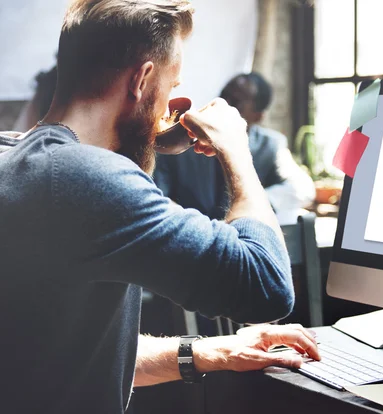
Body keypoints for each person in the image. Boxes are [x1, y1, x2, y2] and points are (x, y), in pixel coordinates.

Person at [0, 1, 319, 413]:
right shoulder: (85, 177)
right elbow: (268, 286)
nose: (168, 105)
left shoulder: (16, 156)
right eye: (171, 87)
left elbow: (65, 355)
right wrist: (237, 151)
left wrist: (215, 351)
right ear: (142, 79)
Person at [154, 72, 315, 221]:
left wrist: (251, 205)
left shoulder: (270, 145)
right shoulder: (182, 141)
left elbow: (302, 189)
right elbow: (157, 196)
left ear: (258, 116)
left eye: (236, 101)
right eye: (224, 95)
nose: (224, 104)